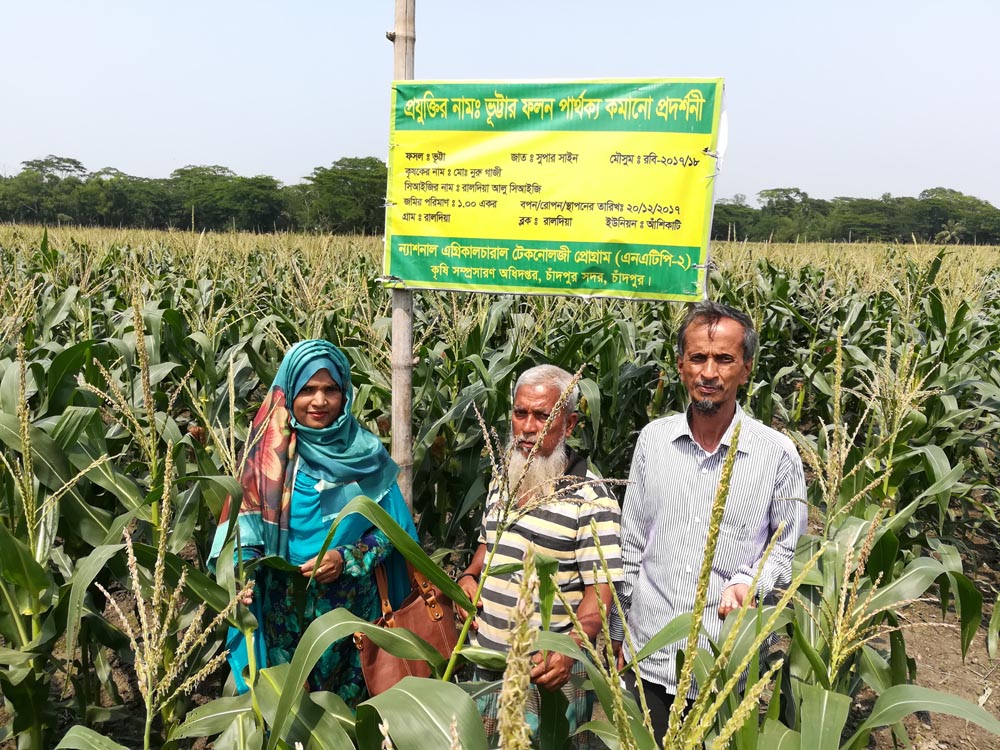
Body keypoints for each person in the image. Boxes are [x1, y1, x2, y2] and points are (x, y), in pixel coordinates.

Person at [609, 301, 807, 741]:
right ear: (680, 365)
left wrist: (749, 580)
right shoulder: (653, 441)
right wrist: (617, 634)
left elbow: (784, 550)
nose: (709, 373)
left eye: (724, 359)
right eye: (698, 358)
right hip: (651, 656)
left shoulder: (776, 455)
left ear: (746, 368)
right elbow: (632, 546)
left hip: (723, 665)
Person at [208, 339, 417, 708]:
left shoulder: (365, 453)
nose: (319, 402)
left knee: (351, 718)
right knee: (290, 716)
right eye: (307, 390)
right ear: (288, 392)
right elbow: (242, 535)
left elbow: (392, 533)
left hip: (351, 618)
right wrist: (240, 575)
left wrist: (347, 557)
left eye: (330, 389)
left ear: (345, 394)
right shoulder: (264, 458)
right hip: (281, 616)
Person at [454, 364, 623, 748]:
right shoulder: (505, 478)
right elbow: (489, 547)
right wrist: (467, 577)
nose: (528, 427)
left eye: (542, 416)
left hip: (547, 680)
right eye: (520, 413)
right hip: (487, 670)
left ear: (570, 423)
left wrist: (570, 650)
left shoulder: (591, 497)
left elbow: (602, 593)